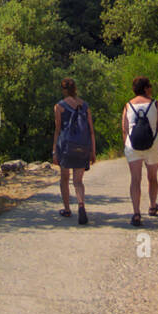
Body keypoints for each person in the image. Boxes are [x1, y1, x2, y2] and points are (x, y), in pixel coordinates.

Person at [122, 76, 158, 226]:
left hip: (132, 145)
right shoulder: (155, 104)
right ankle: (153, 206)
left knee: (135, 179)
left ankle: (136, 213)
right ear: (146, 88)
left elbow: (124, 128)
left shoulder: (128, 105)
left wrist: (127, 146)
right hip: (153, 144)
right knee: (152, 177)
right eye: (150, 86)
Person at [53, 78, 96, 224]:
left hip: (66, 146)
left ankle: (67, 209)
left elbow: (58, 129)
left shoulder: (59, 106)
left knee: (65, 178)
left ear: (63, 90)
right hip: (83, 145)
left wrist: (54, 150)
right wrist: (92, 150)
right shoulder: (85, 106)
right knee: (78, 181)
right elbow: (91, 130)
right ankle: (81, 205)